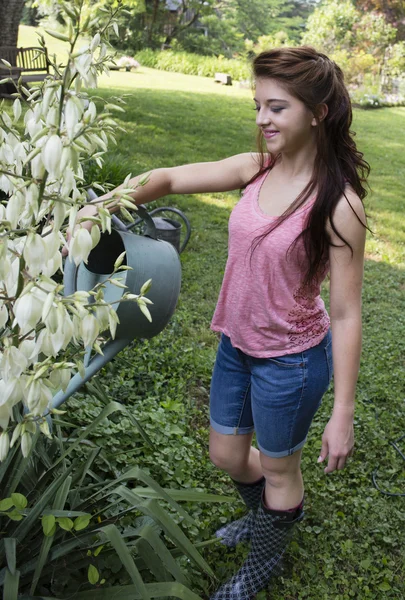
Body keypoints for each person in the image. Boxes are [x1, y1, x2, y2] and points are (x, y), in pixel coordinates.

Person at [64, 46, 369, 599]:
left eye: (276, 108)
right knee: (226, 454)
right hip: (237, 344)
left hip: (292, 360)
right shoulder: (258, 169)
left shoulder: (337, 203)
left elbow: (347, 313)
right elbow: (169, 178)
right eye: (258, 106)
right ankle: (270, 518)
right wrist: (102, 205)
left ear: (318, 112)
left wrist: (343, 413)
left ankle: (260, 562)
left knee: (280, 470)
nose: (261, 120)